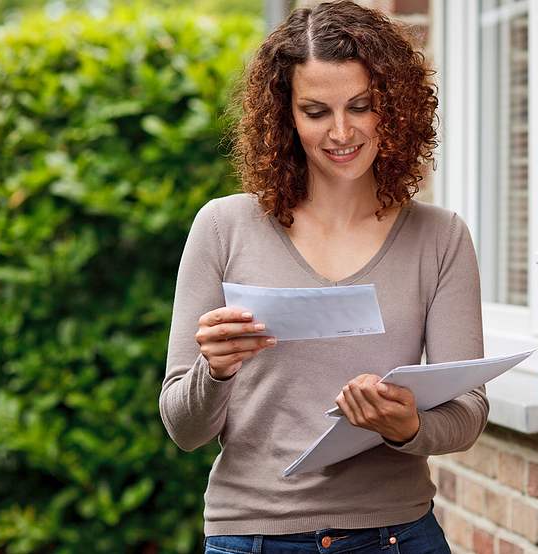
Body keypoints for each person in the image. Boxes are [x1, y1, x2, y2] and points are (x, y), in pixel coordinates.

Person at [158, 2, 488, 552]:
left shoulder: (440, 237)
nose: (341, 132)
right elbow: (184, 429)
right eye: (316, 111)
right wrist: (214, 371)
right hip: (254, 536)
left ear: (394, 107)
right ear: (285, 116)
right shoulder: (223, 227)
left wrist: (407, 426)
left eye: (361, 106)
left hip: (397, 535)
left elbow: (469, 413)